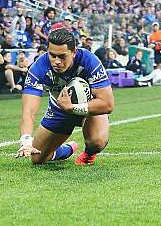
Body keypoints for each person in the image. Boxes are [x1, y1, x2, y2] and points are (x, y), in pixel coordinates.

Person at [16, 29, 114, 165]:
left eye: (62, 56)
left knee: (97, 142)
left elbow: (107, 104)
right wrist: (26, 141)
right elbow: (28, 112)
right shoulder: (38, 68)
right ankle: (68, 149)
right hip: (59, 109)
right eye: (52, 55)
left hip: (89, 108)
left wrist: (73, 107)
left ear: (74, 52)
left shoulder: (89, 61)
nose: (56, 61)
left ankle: (89, 153)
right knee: (37, 158)